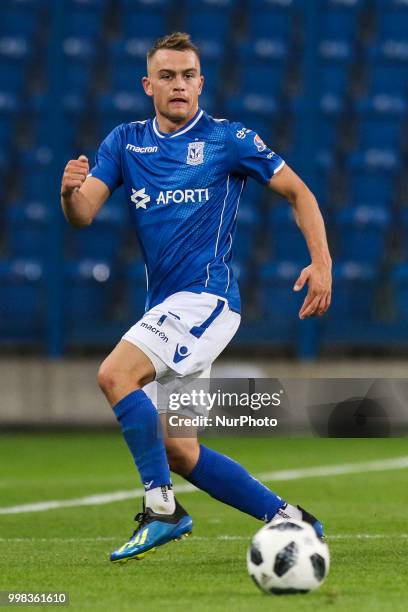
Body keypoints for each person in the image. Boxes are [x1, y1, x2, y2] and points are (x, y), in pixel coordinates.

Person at [60, 32, 332, 564]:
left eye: (187, 76)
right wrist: (69, 191)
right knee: (179, 450)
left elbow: (299, 192)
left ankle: (162, 510)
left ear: (201, 83)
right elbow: (83, 214)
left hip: (206, 301)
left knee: (114, 375)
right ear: (148, 85)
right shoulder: (125, 142)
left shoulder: (229, 139)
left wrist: (321, 262)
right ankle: (293, 521)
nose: (178, 85)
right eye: (167, 76)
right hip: (165, 308)